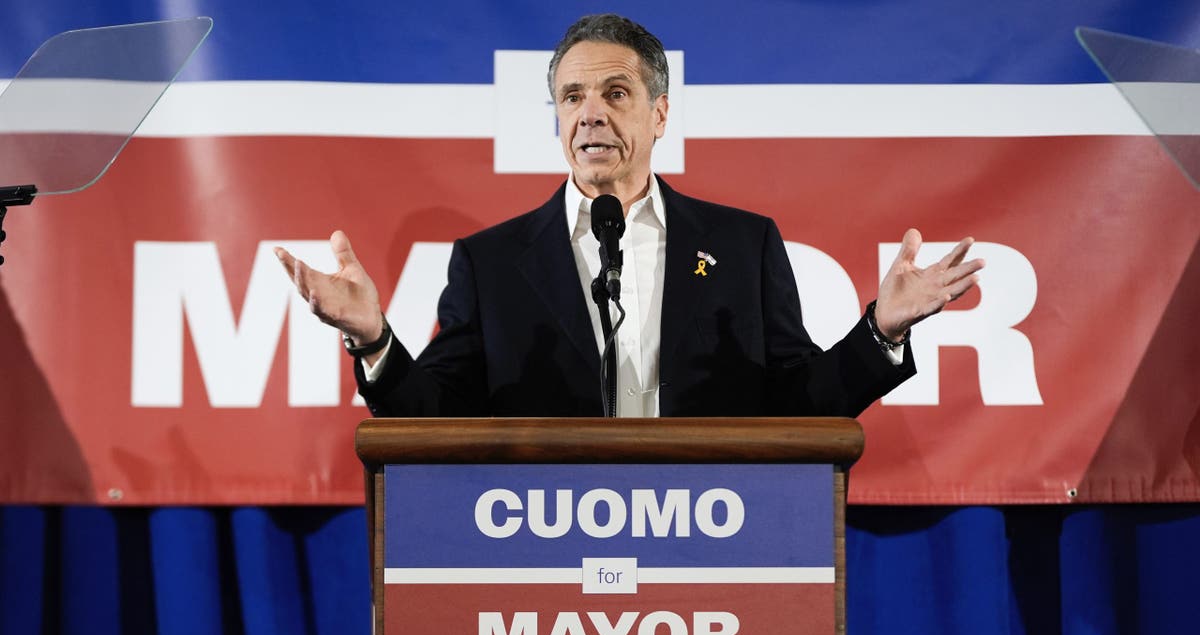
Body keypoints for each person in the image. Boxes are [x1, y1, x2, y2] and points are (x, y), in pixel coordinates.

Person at [275, 13, 982, 418]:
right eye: (573, 95)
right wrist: (374, 341)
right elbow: (434, 418)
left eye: (616, 92)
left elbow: (800, 406)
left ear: (660, 112)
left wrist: (880, 330)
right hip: (542, 562)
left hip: (713, 551)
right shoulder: (489, 264)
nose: (590, 113)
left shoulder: (743, 245)